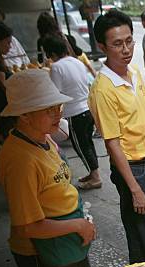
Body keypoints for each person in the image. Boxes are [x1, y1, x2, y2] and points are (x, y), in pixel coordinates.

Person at [88, 10, 145, 266]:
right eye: (117, 44)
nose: (126, 49)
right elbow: (112, 143)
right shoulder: (103, 89)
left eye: (129, 41)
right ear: (102, 46)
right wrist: (134, 188)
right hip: (132, 168)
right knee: (139, 225)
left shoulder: (135, 72)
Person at [0, 69, 96, 267]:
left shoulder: (43, 138)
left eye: (58, 107)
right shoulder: (20, 160)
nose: (58, 114)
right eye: (49, 110)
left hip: (66, 239)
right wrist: (79, 225)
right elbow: (28, 226)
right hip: (45, 252)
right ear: (24, 114)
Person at [43, 35, 101, 190]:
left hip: (75, 113)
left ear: (52, 53)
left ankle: (95, 177)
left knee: (81, 146)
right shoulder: (77, 61)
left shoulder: (56, 67)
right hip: (87, 110)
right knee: (87, 143)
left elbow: (56, 92)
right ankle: (93, 172)